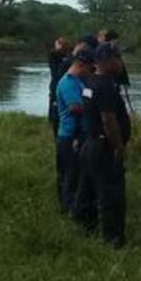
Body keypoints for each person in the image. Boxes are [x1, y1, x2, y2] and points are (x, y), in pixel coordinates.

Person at [74, 42, 132, 247]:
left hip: (89, 145)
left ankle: (86, 232)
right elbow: (108, 119)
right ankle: (113, 242)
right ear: (106, 61)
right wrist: (118, 147)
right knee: (112, 197)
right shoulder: (105, 85)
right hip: (103, 148)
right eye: (117, 58)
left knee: (88, 191)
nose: (120, 62)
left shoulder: (91, 82)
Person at [53, 49, 93, 214]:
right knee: (70, 175)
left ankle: (71, 206)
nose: (90, 72)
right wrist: (94, 106)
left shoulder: (79, 81)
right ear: (81, 65)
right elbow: (75, 107)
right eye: (89, 69)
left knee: (75, 174)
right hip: (70, 136)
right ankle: (68, 209)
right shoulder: (68, 82)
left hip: (76, 134)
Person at [46, 37, 72, 137]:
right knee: (53, 101)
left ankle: (57, 120)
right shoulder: (55, 56)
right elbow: (53, 54)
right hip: (56, 82)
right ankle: (52, 121)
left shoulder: (66, 56)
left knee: (57, 101)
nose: (55, 45)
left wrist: (60, 47)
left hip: (60, 82)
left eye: (57, 43)